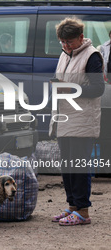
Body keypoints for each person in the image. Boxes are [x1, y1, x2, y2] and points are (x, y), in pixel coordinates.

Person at [49, 17, 105, 226]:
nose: (65, 45)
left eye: (69, 42)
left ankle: (83, 212)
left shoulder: (92, 56)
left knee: (79, 168)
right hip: (65, 119)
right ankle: (72, 206)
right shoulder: (65, 54)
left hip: (82, 121)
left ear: (81, 37)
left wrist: (69, 89)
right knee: (67, 168)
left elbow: (98, 88)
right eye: (62, 42)